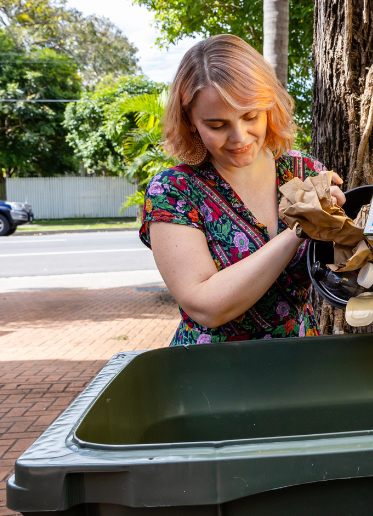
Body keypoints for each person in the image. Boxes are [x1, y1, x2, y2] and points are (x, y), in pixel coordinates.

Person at [141, 34, 346, 345]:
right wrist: (299, 228)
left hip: (301, 359)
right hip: (214, 375)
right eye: (217, 125)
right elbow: (206, 307)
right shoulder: (174, 191)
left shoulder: (303, 171)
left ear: (268, 106)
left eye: (251, 116)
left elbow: (340, 267)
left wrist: (347, 227)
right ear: (190, 121)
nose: (240, 137)